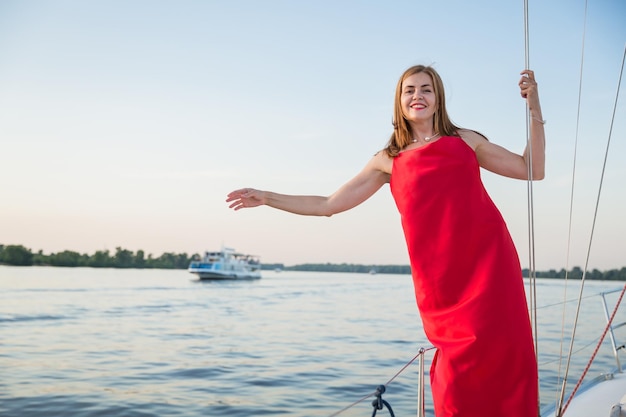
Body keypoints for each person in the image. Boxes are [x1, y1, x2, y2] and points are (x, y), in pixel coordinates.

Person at [226, 65, 545, 417]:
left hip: (490, 266)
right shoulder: (387, 160)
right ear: (400, 101)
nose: (417, 96)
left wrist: (534, 109)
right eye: (409, 90)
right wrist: (269, 197)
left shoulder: (466, 141)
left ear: (438, 99)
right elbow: (328, 205)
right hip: (440, 284)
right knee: (455, 377)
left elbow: (532, 168)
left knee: (506, 357)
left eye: (426, 89)